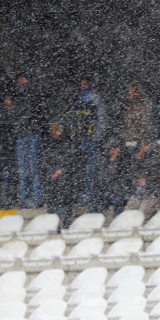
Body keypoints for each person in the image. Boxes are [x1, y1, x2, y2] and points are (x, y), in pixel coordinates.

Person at [62, 76, 109, 207]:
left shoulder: (95, 99)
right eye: (81, 84)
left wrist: (95, 137)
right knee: (79, 170)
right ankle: (80, 195)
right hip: (79, 141)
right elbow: (72, 118)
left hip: (91, 141)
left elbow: (102, 119)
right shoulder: (77, 99)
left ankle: (89, 195)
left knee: (91, 170)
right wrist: (74, 135)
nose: (83, 87)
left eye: (85, 84)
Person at [11, 73, 47, 208]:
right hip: (22, 135)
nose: (21, 83)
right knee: (24, 170)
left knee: (33, 168)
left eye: (23, 80)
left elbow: (38, 113)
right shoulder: (17, 98)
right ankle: (25, 198)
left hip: (31, 134)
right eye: (19, 81)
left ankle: (37, 198)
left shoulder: (33, 95)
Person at [125, 138, 160, 220]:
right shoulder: (139, 158)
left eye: (145, 146)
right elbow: (131, 173)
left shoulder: (158, 158)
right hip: (138, 193)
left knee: (142, 214)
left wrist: (147, 179)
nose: (143, 148)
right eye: (141, 146)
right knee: (127, 213)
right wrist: (137, 160)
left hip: (153, 193)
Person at [41, 121, 73, 228]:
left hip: (64, 181)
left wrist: (60, 171)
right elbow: (45, 161)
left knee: (65, 206)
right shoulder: (49, 144)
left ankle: (66, 226)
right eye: (53, 131)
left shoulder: (67, 144)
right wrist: (51, 173)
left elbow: (69, 161)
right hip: (52, 182)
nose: (54, 133)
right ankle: (55, 227)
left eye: (56, 131)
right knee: (52, 207)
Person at [93, 137, 131, 216]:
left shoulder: (124, 161)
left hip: (119, 190)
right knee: (96, 203)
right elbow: (102, 176)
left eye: (114, 149)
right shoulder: (104, 160)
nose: (112, 151)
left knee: (118, 202)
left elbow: (121, 176)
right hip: (107, 190)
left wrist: (114, 162)